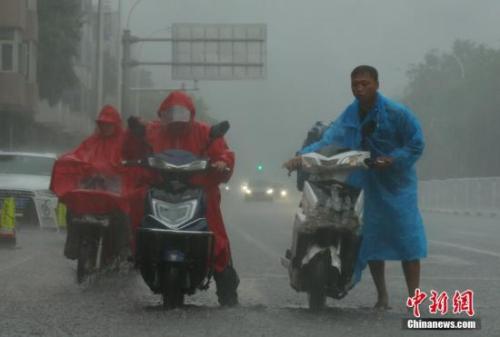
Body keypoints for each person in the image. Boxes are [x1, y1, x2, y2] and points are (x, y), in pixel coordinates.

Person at [283, 65, 427, 310]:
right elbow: (329, 140)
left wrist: (393, 159)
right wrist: (301, 156)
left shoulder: (397, 113)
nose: (359, 89)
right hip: (367, 180)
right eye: (355, 85)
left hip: (398, 184)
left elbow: (416, 143)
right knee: (371, 239)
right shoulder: (351, 114)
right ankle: (382, 297)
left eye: (364, 84)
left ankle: (415, 301)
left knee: (408, 241)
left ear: (376, 85)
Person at [123, 90, 239, 306]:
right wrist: (133, 132)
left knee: (214, 223)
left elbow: (222, 152)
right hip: (159, 185)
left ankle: (225, 282)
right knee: (136, 199)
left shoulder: (205, 132)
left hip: (198, 188)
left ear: (191, 114)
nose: (176, 119)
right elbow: (131, 150)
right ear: (163, 114)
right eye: (171, 114)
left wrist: (222, 162)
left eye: (181, 114)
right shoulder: (151, 130)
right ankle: (137, 249)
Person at [50, 105, 130, 260]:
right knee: (74, 206)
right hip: (91, 187)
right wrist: (66, 161)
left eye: (109, 124)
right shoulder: (91, 141)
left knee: (123, 211)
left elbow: (131, 160)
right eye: (103, 124)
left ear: (116, 125)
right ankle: (72, 244)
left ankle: (124, 249)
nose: (106, 127)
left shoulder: (124, 142)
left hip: (114, 190)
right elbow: (77, 155)